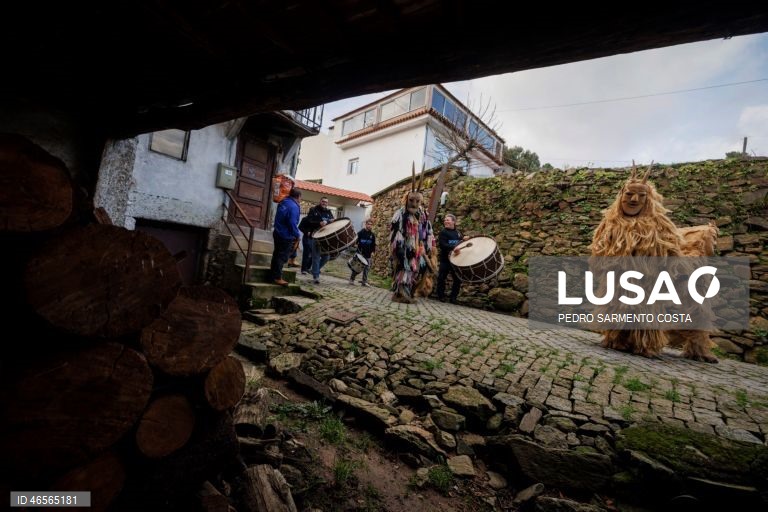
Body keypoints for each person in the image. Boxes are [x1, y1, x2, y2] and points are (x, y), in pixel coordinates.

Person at [390, 178, 434, 303]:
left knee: (416, 270)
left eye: (417, 201)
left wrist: (428, 246)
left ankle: (409, 292)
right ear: (406, 200)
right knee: (404, 269)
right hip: (404, 249)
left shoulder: (423, 215)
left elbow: (427, 231)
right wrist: (398, 247)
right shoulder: (400, 214)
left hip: (418, 249)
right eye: (411, 201)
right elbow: (395, 232)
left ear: (421, 201)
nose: (414, 204)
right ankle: (400, 294)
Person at [270, 188, 301, 286]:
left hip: (277, 232)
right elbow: (292, 222)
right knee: (282, 257)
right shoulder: (293, 206)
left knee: (276, 255)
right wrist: (297, 235)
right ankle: (277, 277)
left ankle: (273, 275)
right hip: (286, 235)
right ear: (298, 197)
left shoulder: (283, 202)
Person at [436, 213, 468, 303]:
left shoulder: (458, 233)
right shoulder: (443, 232)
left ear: (453, 222)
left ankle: (453, 298)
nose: (445, 221)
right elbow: (443, 245)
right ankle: (441, 296)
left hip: (456, 260)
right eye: (445, 220)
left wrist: (464, 239)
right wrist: (454, 248)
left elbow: (461, 243)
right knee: (442, 278)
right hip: (445, 260)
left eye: (448, 220)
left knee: (457, 279)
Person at [302, 197, 335, 284]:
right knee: (316, 257)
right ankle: (316, 276)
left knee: (326, 257)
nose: (324, 203)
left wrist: (331, 221)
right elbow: (308, 221)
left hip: (325, 238)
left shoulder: (329, 212)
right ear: (320, 201)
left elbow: (332, 222)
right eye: (323, 201)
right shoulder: (313, 210)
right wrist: (318, 223)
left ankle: (314, 270)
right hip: (315, 236)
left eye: (326, 202)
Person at [349, 219, 376, 286]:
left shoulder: (372, 235)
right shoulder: (361, 233)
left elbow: (373, 245)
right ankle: (352, 280)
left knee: (367, 268)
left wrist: (372, 252)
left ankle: (364, 282)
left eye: (371, 224)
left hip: (368, 254)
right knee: (357, 268)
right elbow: (355, 241)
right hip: (360, 253)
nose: (369, 226)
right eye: (368, 224)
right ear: (366, 224)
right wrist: (355, 244)